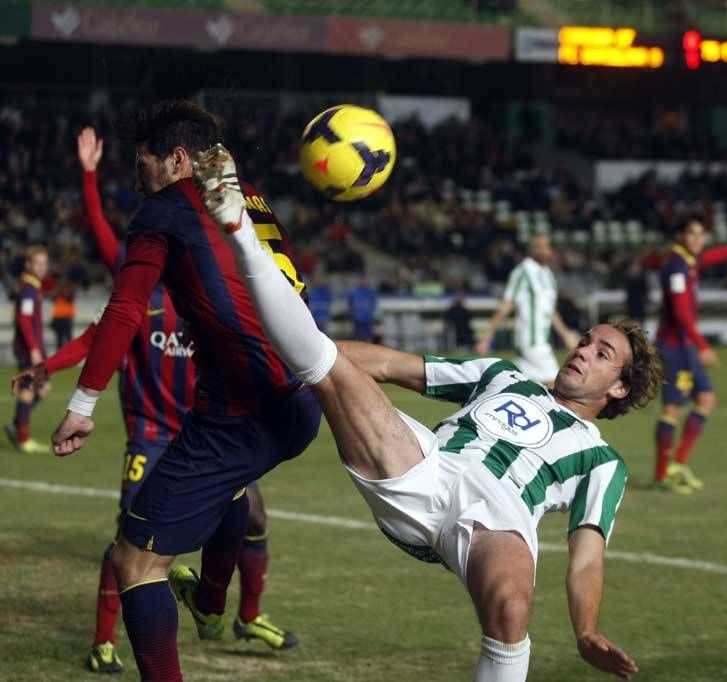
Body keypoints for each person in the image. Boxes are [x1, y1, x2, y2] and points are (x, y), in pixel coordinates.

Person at [192, 144, 665, 681]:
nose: (581, 351)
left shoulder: (603, 463)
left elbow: (586, 555)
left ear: (621, 388)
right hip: (426, 463)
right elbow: (393, 365)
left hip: (501, 521)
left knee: (512, 610)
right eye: (585, 341)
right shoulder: (503, 375)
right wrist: (308, 353)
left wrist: (585, 631)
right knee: (330, 368)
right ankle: (236, 224)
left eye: (601, 354)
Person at [51, 103, 320, 682]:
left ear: (176, 160)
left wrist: (80, 406)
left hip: (239, 411)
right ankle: (212, 602)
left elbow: (125, 307)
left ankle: (206, 611)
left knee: (135, 561)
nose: (137, 177)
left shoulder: (166, 210)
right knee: (232, 491)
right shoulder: (248, 195)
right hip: (300, 399)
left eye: (142, 163)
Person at [654, 215, 727, 494]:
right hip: (674, 346)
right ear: (680, 235)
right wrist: (702, 344)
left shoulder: (689, 261)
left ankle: (677, 465)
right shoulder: (676, 266)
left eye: (701, 234)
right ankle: (662, 474)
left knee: (706, 399)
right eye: (692, 233)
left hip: (686, 345)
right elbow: (679, 311)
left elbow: (713, 256)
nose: (698, 239)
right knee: (673, 408)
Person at [475, 234, 580, 384]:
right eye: (542, 247)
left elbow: (550, 310)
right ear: (533, 250)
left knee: (522, 387)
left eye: (548, 247)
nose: (546, 251)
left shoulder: (548, 274)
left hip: (541, 341)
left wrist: (565, 334)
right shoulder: (523, 272)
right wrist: (487, 336)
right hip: (530, 341)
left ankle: (486, 388)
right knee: (556, 387)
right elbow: (507, 304)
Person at [4, 245, 52, 454]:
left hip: (33, 347)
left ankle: (16, 424)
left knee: (42, 387)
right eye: (38, 263)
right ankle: (22, 438)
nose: (42, 267)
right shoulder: (29, 290)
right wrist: (33, 348)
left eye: (45, 263)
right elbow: (24, 319)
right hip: (28, 349)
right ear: (28, 265)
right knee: (28, 391)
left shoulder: (32, 288)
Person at [347, 272, 378, 341]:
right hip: (357, 321)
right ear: (358, 281)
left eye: (364, 279)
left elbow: (374, 304)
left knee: (368, 340)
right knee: (357, 339)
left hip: (368, 320)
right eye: (360, 279)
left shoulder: (371, 292)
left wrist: (370, 315)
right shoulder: (353, 292)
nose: (362, 281)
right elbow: (350, 304)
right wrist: (353, 315)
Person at [50, 276, 77, 349]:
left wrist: (61, 289)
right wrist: (58, 289)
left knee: (69, 339)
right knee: (59, 340)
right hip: (58, 318)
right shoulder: (57, 291)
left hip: (67, 318)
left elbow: (69, 297)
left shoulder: (70, 290)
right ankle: (60, 356)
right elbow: (52, 297)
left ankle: (71, 355)